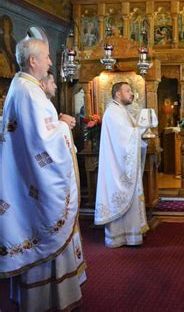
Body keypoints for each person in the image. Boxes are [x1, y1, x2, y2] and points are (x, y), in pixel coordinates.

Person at [0, 37, 85, 311]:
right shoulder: (28, 91)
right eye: (47, 57)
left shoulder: (23, 87)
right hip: (36, 182)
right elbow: (42, 141)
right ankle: (46, 300)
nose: (50, 62)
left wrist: (56, 123)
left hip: (27, 179)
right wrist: (63, 126)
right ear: (32, 60)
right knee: (44, 228)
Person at [94, 82, 149, 248]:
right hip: (117, 167)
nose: (131, 94)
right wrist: (143, 129)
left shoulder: (121, 110)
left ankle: (131, 233)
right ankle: (120, 236)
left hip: (123, 163)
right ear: (118, 94)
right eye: (128, 90)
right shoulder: (113, 112)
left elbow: (132, 132)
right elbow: (125, 138)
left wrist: (141, 131)